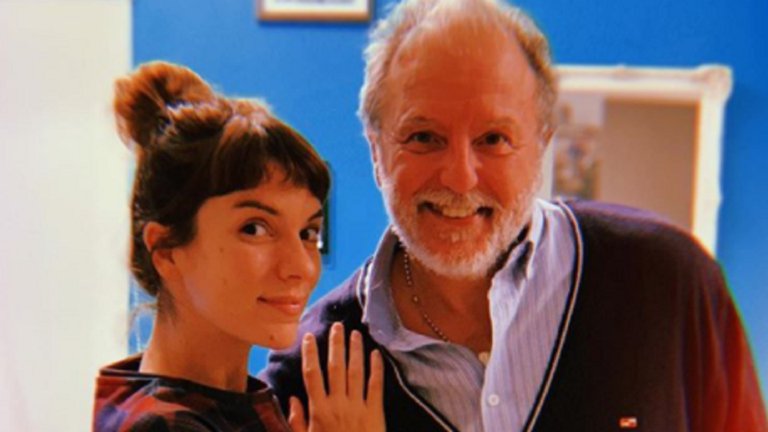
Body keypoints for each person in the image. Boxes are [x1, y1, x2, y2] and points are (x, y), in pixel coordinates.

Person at [261, 0, 767, 431]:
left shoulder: (670, 282)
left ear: (543, 145)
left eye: (493, 139)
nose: (460, 178)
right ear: (376, 151)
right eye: (424, 137)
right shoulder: (309, 373)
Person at [92, 62, 385, 432]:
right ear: (166, 250)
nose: (301, 267)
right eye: (255, 229)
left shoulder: (225, 404)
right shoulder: (165, 426)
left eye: (308, 233)